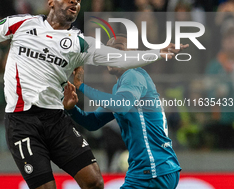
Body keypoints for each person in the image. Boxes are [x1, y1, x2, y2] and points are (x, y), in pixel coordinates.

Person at [0, 0, 187, 189]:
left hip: (55, 119)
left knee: (94, 182)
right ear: (51, 1)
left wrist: (157, 53)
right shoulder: (20, 25)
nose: (74, 2)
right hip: (22, 121)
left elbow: (118, 58)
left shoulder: (80, 43)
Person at [63, 34, 181, 189]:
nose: (111, 56)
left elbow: (121, 105)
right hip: (156, 168)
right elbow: (93, 122)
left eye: (118, 50)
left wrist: (82, 86)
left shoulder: (133, 76)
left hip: (151, 170)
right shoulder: (122, 87)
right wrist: (72, 109)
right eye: (108, 51)